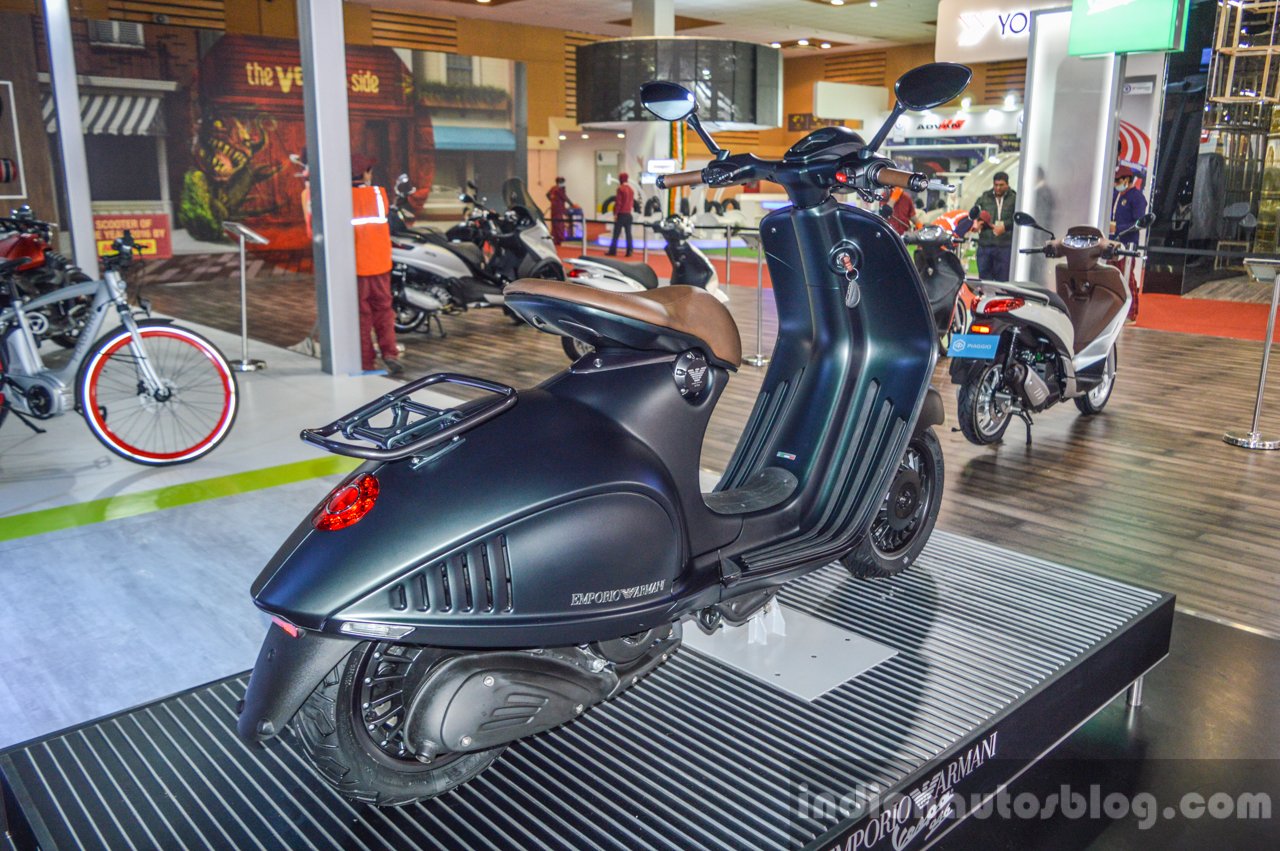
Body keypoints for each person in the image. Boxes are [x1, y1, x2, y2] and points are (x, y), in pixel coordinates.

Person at [350, 153, 403, 376]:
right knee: (384, 311)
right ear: (364, 173)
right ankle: (390, 352)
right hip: (381, 265)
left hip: (357, 267)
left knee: (362, 315)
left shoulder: (342, 198)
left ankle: (365, 361)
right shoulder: (378, 194)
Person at [1111, 165, 1149, 321]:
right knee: (1113, 276)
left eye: (1117, 180)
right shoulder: (1117, 194)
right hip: (1113, 242)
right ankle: (1116, 310)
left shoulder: (1137, 197)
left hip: (1127, 243)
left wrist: (1118, 227)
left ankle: (1131, 313)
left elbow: (1139, 223)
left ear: (1126, 180)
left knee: (1127, 278)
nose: (1115, 183)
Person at [970, 171, 1016, 281]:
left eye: (1001, 185)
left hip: (1005, 246)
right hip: (985, 246)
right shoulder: (985, 197)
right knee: (984, 280)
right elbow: (975, 212)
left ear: (1007, 184)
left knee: (1003, 281)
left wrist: (1005, 227)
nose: (998, 188)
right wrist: (977, 223)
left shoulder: (1014, 198)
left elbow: (1017, 219)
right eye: (996, 185)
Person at [607, 172, 635, 257]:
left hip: (621, 214)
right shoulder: (631, 189)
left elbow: (618, 203)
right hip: (628, 214)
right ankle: (629, 251)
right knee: (628, 234)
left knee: (616, 234)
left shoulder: (620, 189)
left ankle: (613, 250)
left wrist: (615, 214)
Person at [546, 177, 573, 245]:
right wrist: (572, 204)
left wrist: (552, 201)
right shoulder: (560, 189)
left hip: (554, 208)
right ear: (560, 182)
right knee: (559, 224)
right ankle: (559, 239)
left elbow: (547, 195)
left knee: (554, 224)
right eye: (563, 182)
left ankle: (554, 239)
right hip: (559, 209)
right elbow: (565, 197)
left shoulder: (553, 188)